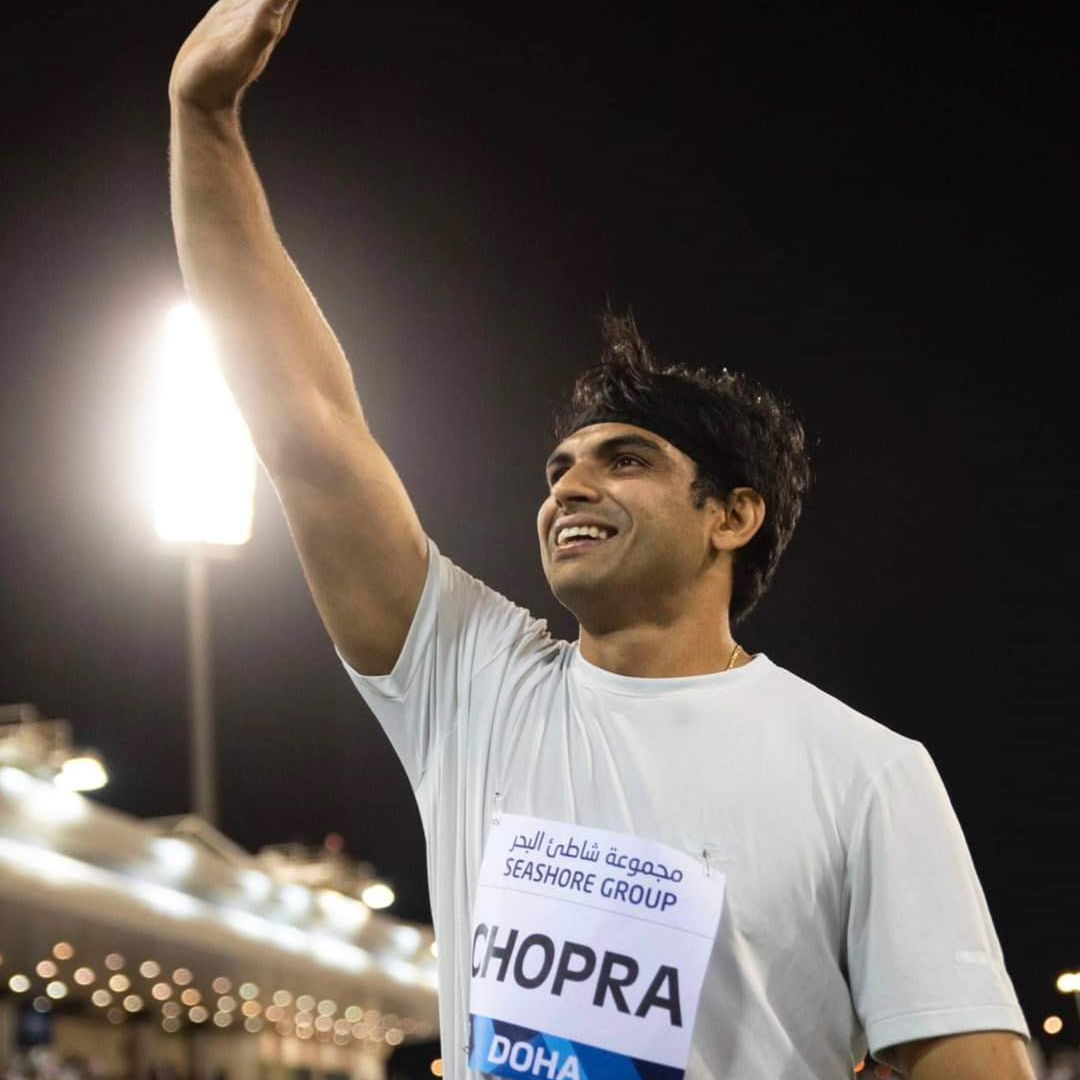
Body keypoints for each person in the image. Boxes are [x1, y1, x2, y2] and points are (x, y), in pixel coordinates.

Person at [168, 2, 1035, 1077]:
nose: (571, 482)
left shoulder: (864, 774)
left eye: (625, 458)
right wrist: (202, 116)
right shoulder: (474, 687)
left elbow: (973, 1060)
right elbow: (305, 428)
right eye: (559, 467)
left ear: (733, 514)